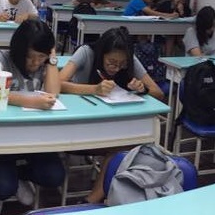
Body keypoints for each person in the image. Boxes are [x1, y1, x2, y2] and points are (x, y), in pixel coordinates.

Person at [58, 26, 164, 203]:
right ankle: (96, 199)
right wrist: (94, 89)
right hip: (79, 128)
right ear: (102, 53)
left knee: (127, 144)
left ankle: (91, 200)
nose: (116, 68)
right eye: (111, 62)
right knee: (121, 146)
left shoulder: (128, 58)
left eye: (122, 64)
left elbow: (158, 93)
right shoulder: (86, 52)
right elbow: (57, 83)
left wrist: (142, 89)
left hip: (110, 127)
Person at [0, 20, 65, 215]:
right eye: (30, 57)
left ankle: (18, 175)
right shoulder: (3, 57)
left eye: (41, 57)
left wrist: (51, 59)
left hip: (34, 137)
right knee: (3, 188)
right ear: (19, 50)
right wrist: (31, 101)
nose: (35, 63)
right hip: (0, 138)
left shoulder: (46, 62)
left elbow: (54, 93)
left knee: (54, 176)